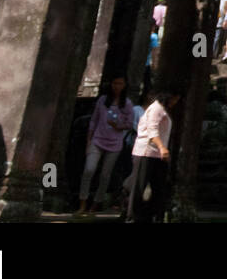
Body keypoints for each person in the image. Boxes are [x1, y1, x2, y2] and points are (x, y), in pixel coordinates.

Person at [77, 75, 134, 214]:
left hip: (115, 143)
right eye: (115, 83)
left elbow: (129, 124)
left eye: (120, 83)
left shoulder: (127, 104)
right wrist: (89, 140)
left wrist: (118, 125)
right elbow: (93, 120)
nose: (117, 86)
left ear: (124, 85)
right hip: (97, 140)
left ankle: (96, 204)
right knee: (89, 170)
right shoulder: (102, 100)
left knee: (105, 175)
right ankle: (82, 203)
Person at [128, 91, 180, 224]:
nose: (175, 102)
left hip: (158, 155)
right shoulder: (156, 109)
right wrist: (162, 147)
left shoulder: (163, 110)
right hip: (146, 152)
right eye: (174, 99)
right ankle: (133, 216)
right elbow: (152, 130)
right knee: (139, 187)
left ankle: (153, 215)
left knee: (159, 187)